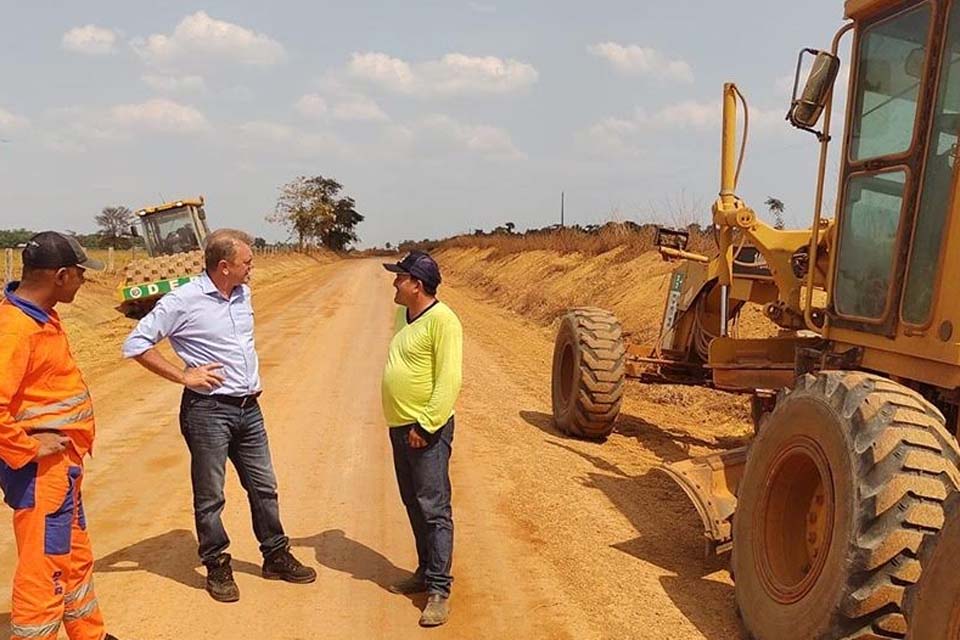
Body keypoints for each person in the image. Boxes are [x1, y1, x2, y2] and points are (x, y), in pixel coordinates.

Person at [121, 228, 315, 603]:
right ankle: (217, 564)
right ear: (224, 266)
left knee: (264, 487)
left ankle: (275, 554)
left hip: (249, 408)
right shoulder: (183, 300)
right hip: (208, 411)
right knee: (210, 496)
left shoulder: (243, 294)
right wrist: (183, 375)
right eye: (247, 262)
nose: (252, 268)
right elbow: (136, 343)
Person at [0, 232, 120, 640]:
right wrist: (29, 447)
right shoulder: (17, 329)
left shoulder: (41, 315)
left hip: (62, 467)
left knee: (73, 555)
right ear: (62, 275)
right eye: (81, 274)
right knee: (44, 565)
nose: (85, 281)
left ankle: (90, 634)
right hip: (40, 472)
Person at [381, 251, 462, 627]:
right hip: (400, 425)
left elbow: (449, 380)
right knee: (413, 503)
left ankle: (439, 591)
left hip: (424, 430)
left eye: (399, 278)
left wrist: (426, 426)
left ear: (416, 283)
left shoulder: (443, 321)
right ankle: (424, 571)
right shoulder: (404, 315)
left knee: (434, 508)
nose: (394, 283)